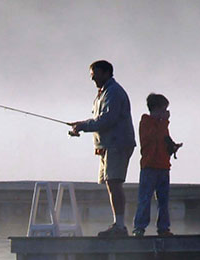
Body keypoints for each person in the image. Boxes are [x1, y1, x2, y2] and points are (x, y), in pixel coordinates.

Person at [68, 60, 136, 237]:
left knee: (115, 182)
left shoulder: (113, 92)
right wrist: (81, 127)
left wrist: (83, 125)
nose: (93, 79)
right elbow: (100, 120)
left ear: (106, 73)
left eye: (95, 75)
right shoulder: (103, 93)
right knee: (111, 183)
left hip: (117, 144)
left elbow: (108, 119)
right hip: (108, 145)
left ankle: (120, 226)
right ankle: (118, 224)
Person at [132, 93, 182, 236]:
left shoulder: (162, 124)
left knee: (163, 201)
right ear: (156, 108)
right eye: (163, 109)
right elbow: (153, 137)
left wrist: (173, 147)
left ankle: (163, 227)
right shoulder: (146, 121)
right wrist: (164, 122)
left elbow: (164, 139)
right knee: (145, 198)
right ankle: (139, 227)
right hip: (149, 166)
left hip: (164, 166)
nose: (166, 112)